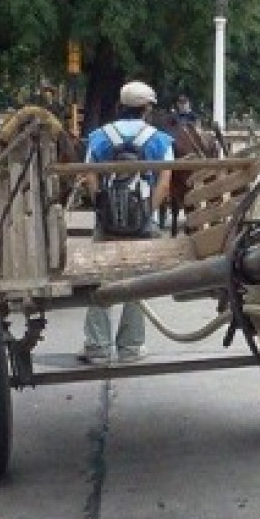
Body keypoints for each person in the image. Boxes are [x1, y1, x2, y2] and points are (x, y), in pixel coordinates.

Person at [77, 80, 175, 364]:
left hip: (108, 223)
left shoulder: (100, 136)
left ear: (122, 106)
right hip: (143, 223)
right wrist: (147, 214)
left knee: (101, 279)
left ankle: (97, 347)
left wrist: (102, 206)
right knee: (139, 282)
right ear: (146, 109)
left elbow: (90, 175)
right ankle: (131, 347)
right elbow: (165, 180)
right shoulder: (158, 139)